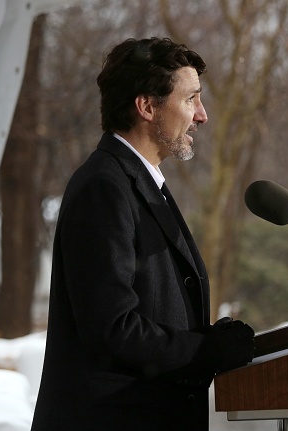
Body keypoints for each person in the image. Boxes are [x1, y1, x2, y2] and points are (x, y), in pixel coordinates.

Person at [31, 37, 255, 431]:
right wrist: (206, 350)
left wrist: (207, 339)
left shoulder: (138, 182)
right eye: (191, 100)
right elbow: (112, 328)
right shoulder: (104, 187)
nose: (202, 115)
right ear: (147, 106)